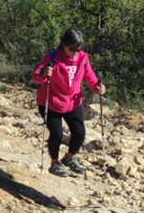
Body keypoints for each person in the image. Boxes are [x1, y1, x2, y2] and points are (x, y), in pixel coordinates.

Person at [32, 28, 106, 177]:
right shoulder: (52, 57)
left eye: (79, 49)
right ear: (64, 44)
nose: (75, 52)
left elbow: (90, 76)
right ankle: (54, 162)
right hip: (50, 102)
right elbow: (36, 77)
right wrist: (44, 73)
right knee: (57, 134)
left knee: (79, 133)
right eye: (72, 49)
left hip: (73, 102)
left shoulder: (82, 58)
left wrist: (97, 87)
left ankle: (70, 157)